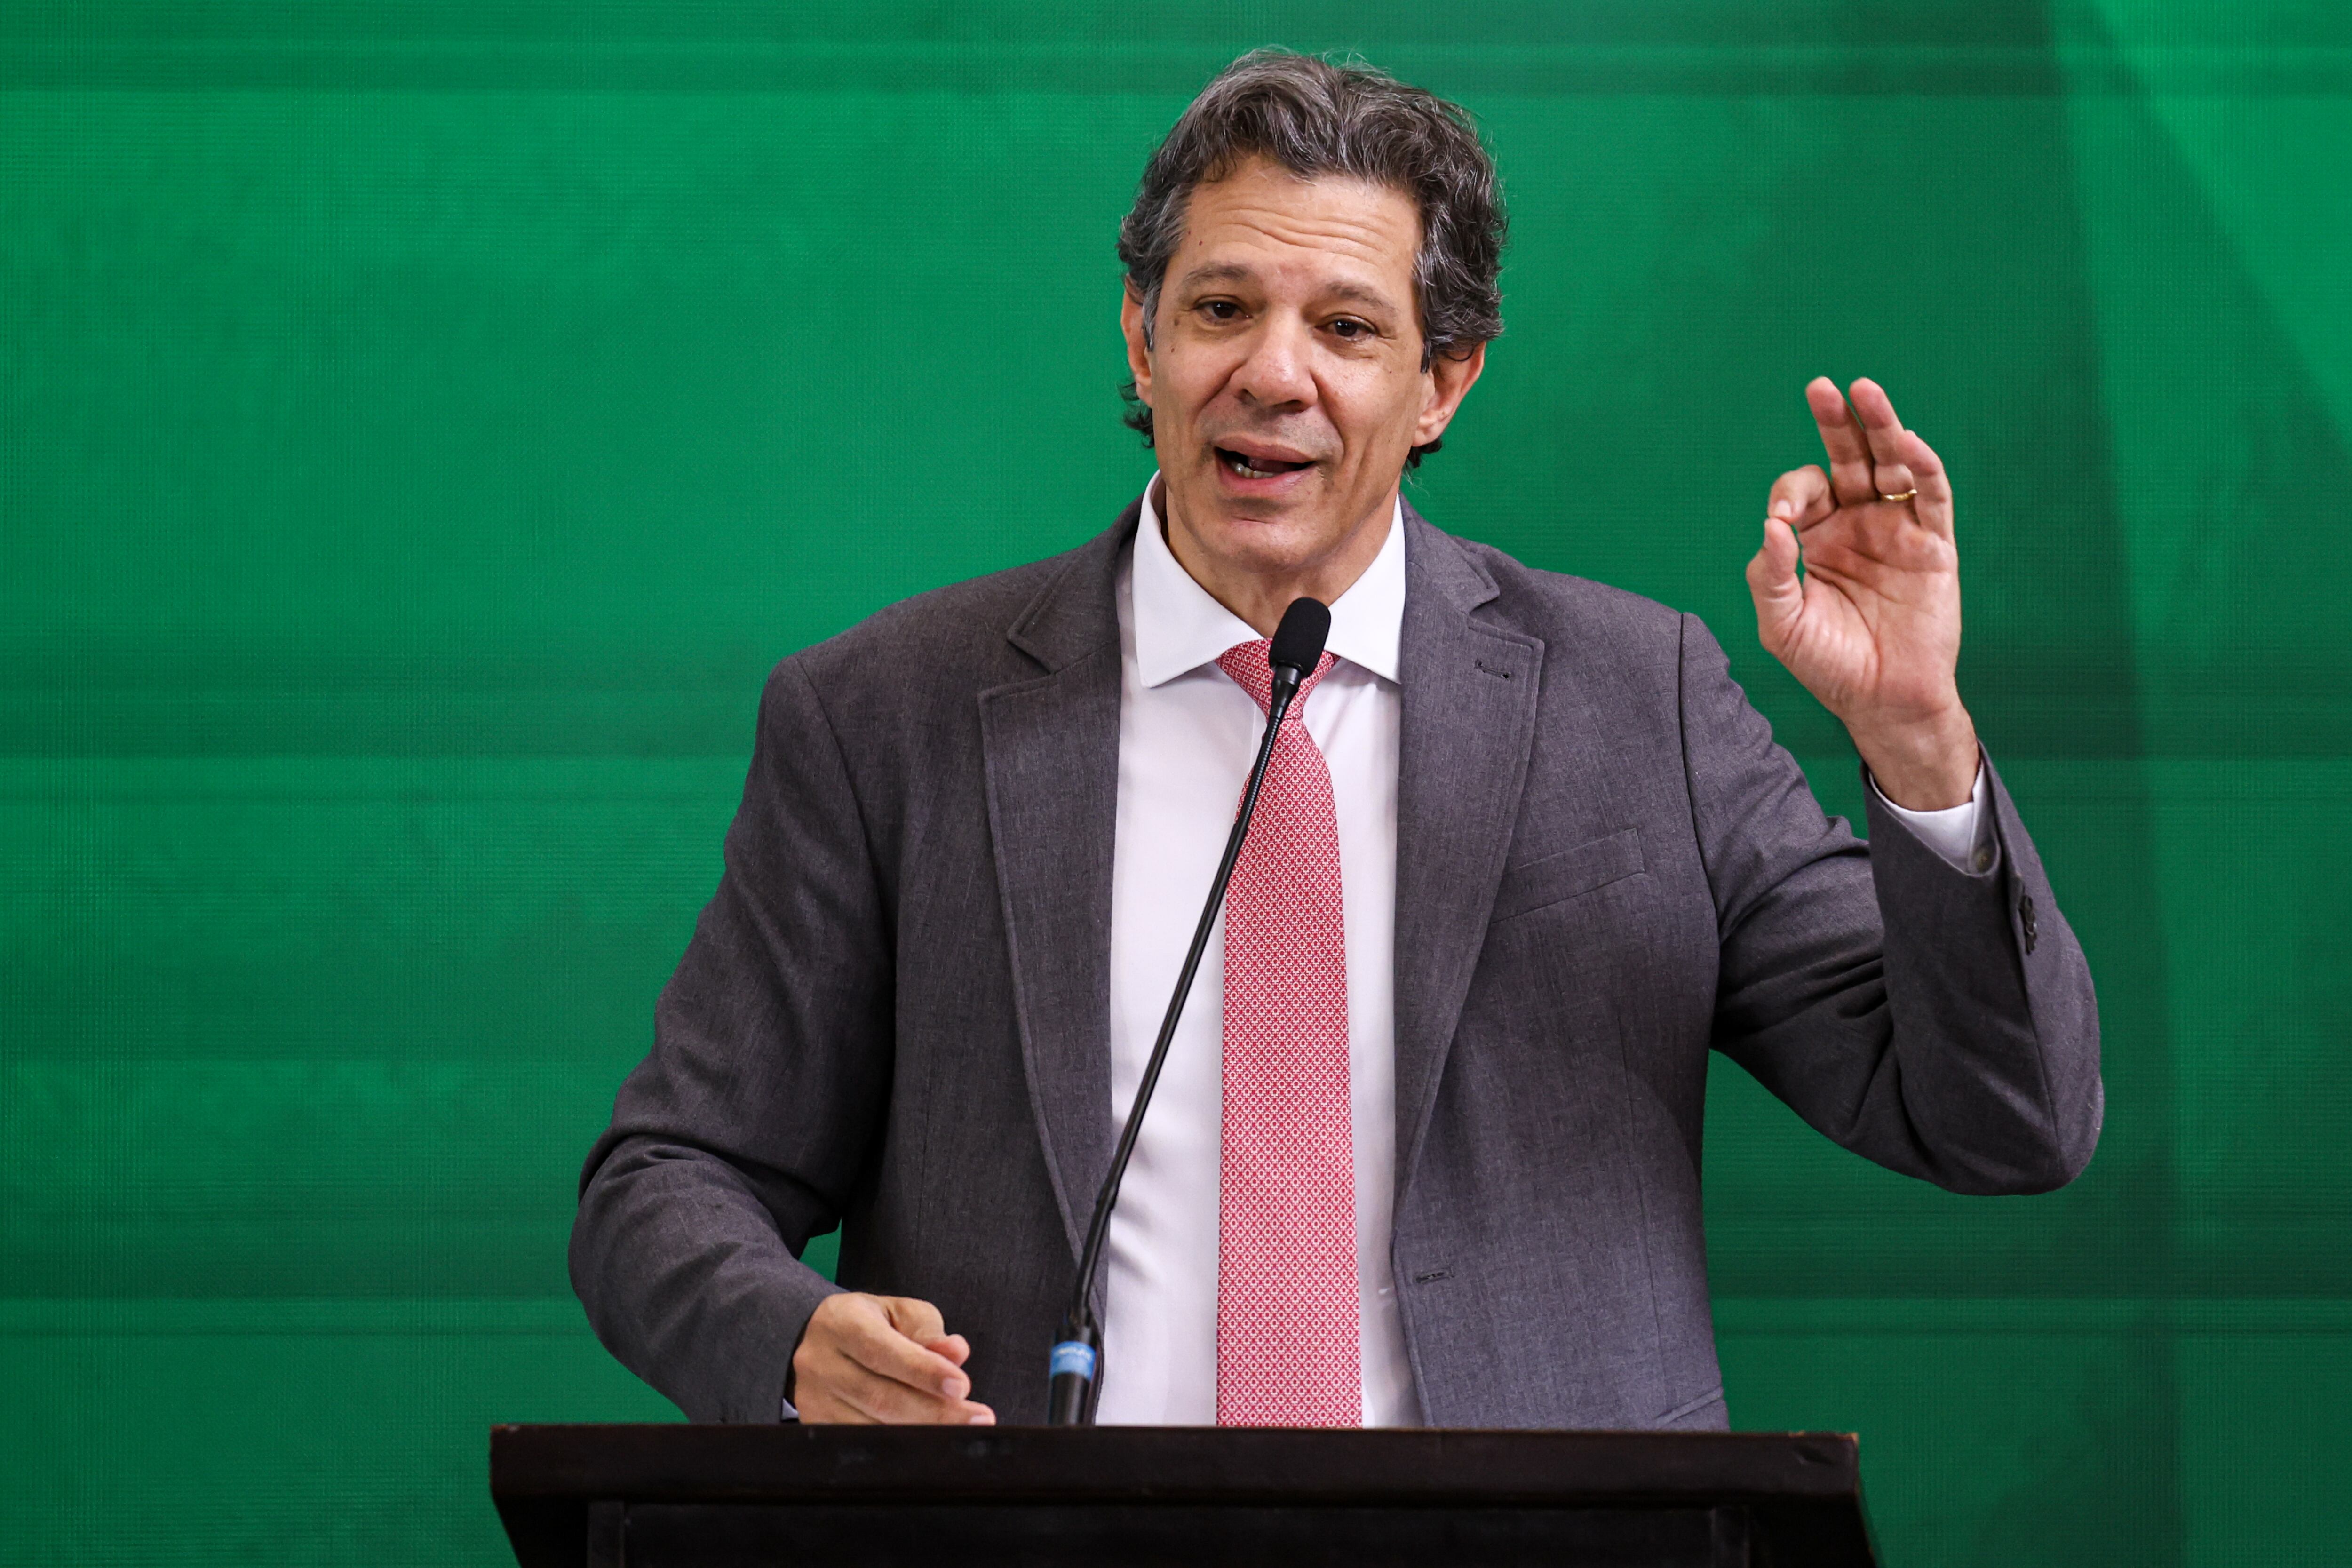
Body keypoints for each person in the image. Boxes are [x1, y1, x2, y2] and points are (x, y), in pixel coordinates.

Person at [572, 49, 2100, 1431]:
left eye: (1348, 327)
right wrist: (793, 1343)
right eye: (1221, 309)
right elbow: (667, 1180)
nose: (1272, 373)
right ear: (1142, 337)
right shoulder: (885, 715)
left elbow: (2006, 1120)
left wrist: (1918, 738)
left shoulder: (1643, 701)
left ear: (1443, 384)